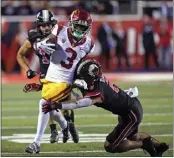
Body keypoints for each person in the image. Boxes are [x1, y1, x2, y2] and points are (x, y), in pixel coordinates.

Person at [43, 59, 169, 157]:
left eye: (82, 77)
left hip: (131, 114)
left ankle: (145, 144)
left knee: (111, 145)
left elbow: (79, 103)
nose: (79, 79)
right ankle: (158, 147)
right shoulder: (92, 79)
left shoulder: (98, 91)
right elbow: (71, 82)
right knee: (133, 137)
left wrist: (58, 105)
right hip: (129, 109)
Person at [24, 9, 95, 153]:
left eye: (83, 27)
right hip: (50, 76)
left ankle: (36, 143)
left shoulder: (89, 43)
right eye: (78, 25)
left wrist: (79, 79)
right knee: (50, 110)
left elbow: (80, 64)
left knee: (44, 104)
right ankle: (64, 125)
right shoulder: (60, 30)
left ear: (88, 27)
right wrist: (41, 44)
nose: (80, 29)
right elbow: (42, 42)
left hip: (64, 81)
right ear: (71, 23)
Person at [16, 9, 79, 153]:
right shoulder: (33, 36)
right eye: (43, 25)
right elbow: (20, 55)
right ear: (38, 26)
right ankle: (61, 128)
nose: (45, 28)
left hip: (63, 76)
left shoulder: (62, 34)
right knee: (49, 107)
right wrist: (28, 70)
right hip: (46, 77)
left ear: (53, 24)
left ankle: (66, 126)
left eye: (48, 25)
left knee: (58, 106)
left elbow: (72, 55)